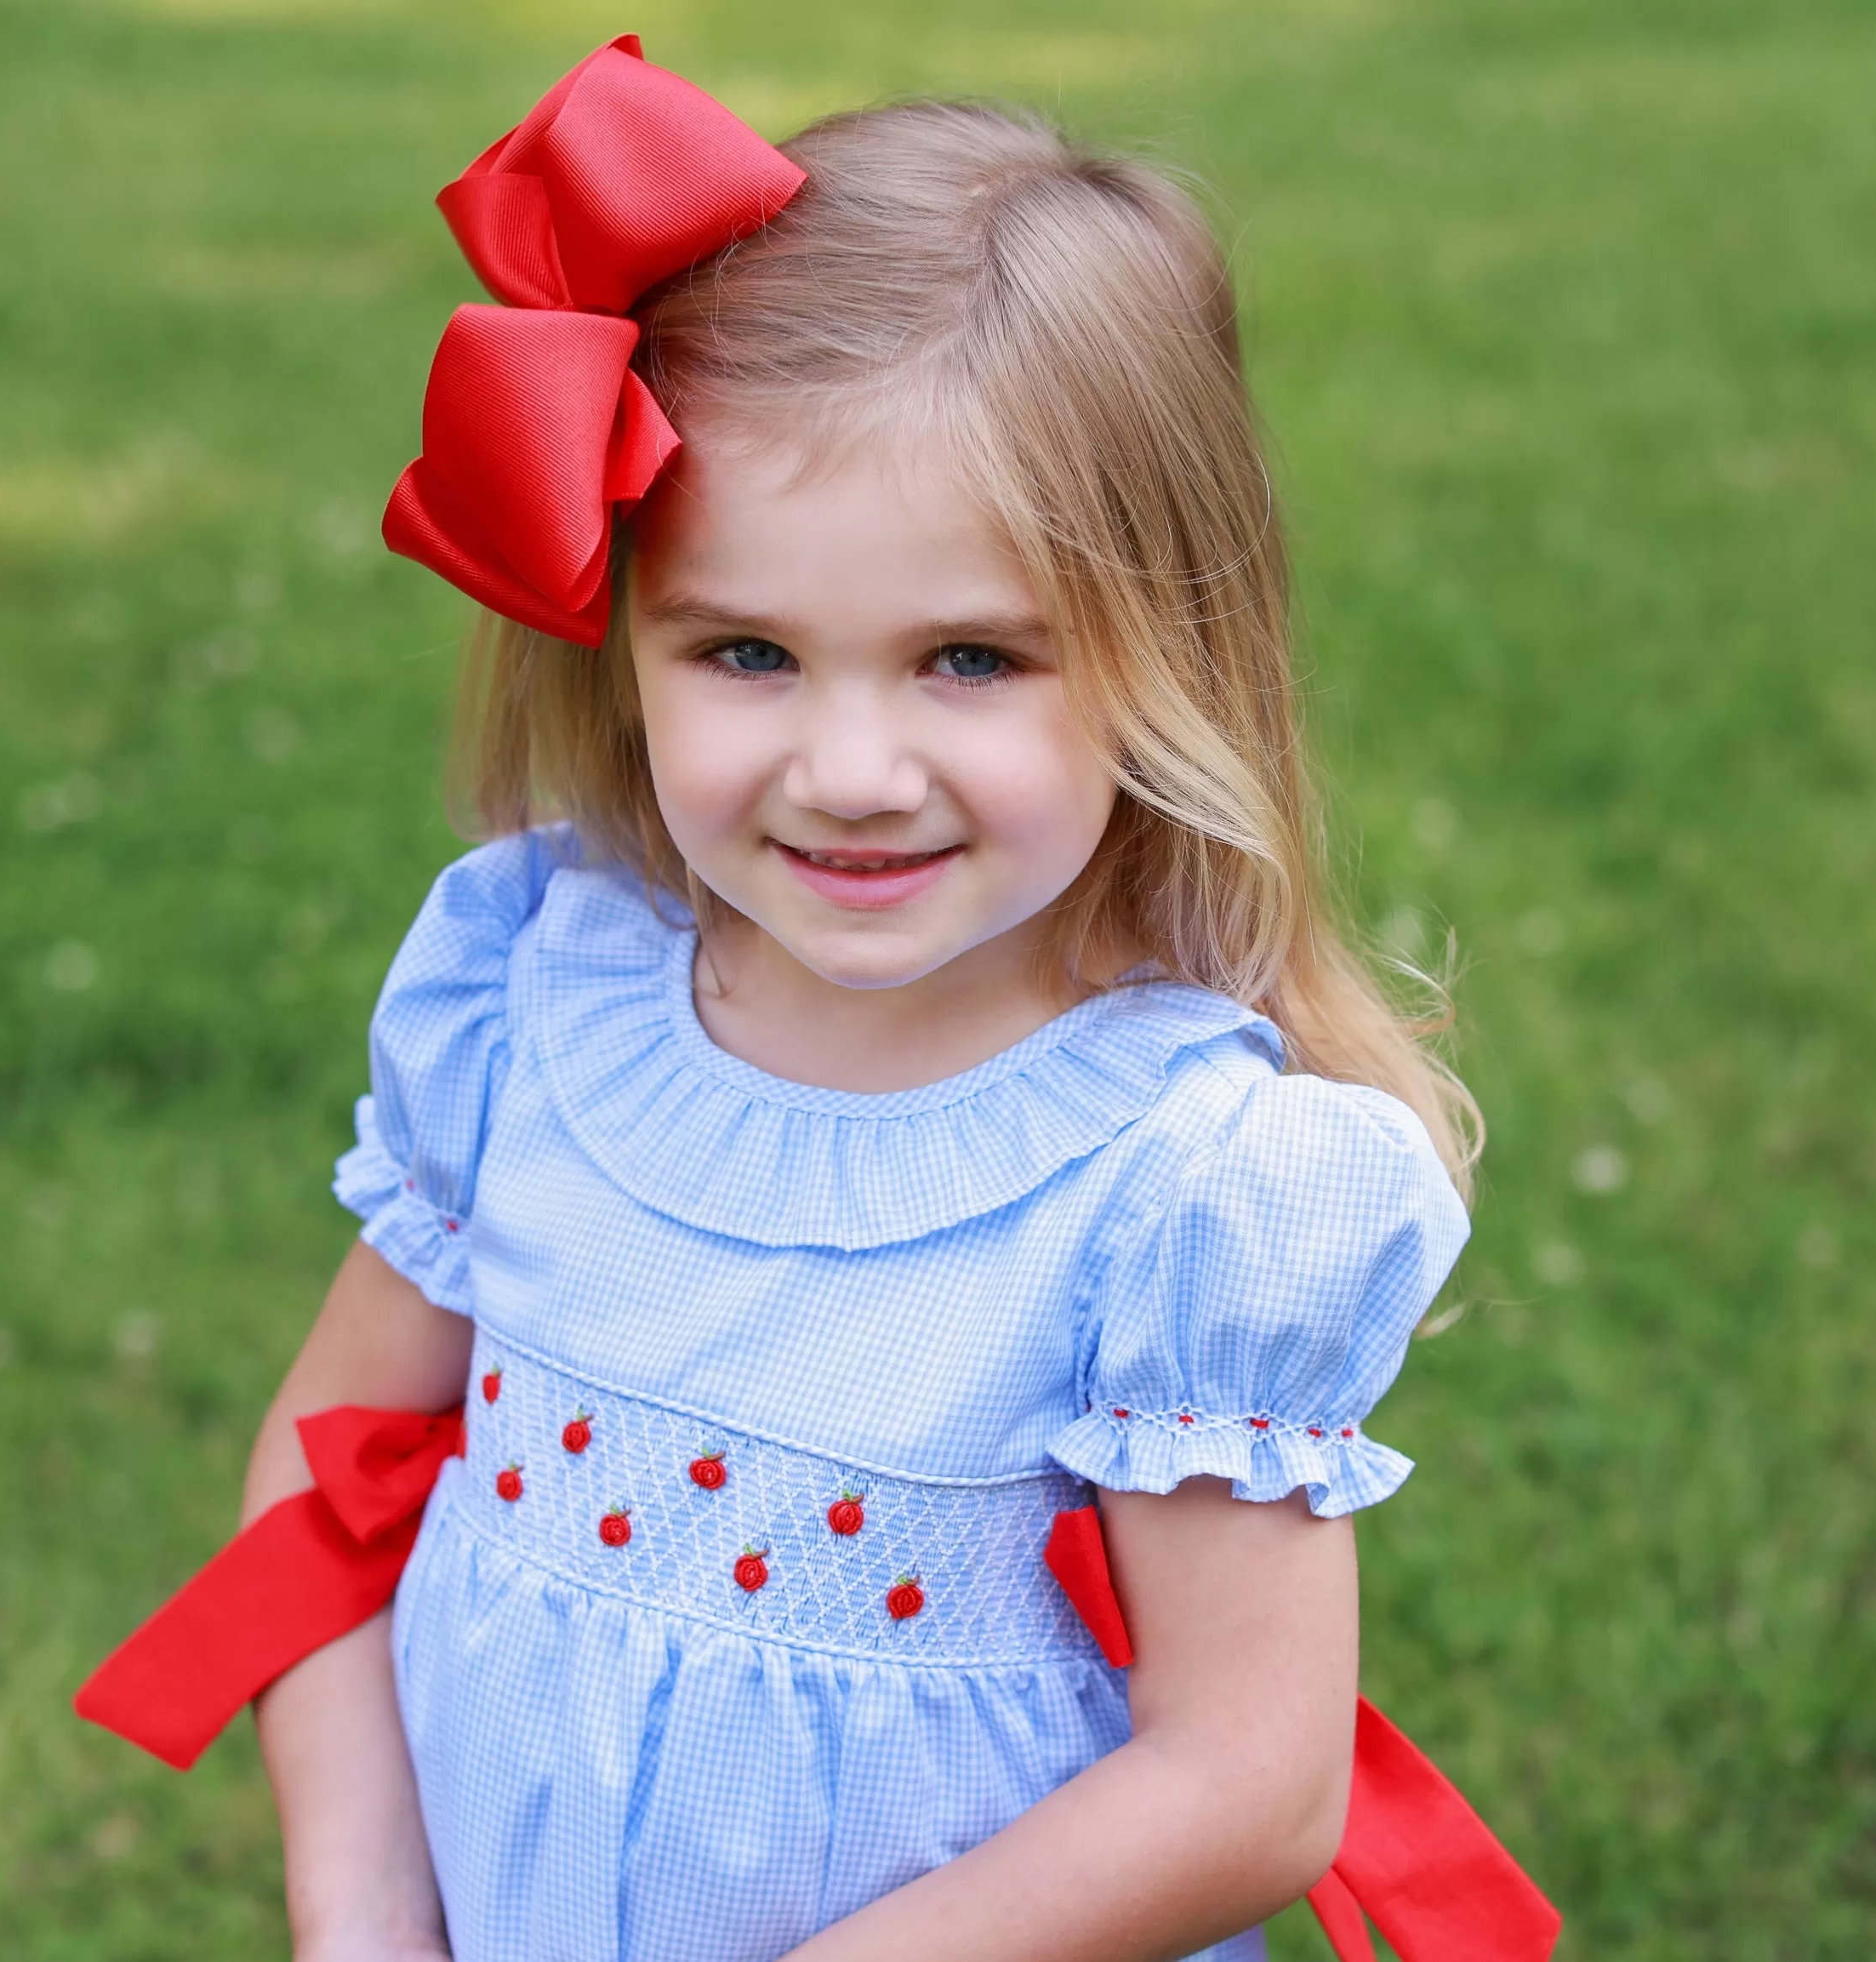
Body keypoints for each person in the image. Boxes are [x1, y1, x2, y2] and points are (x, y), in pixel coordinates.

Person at [235, 37, 1484, 1962]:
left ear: (1168, 653)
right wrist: (366, 1913)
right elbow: (331, 1471)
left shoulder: (1188, 1186)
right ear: (622, 632)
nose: (850, 766)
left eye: (967, 658)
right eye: (746, 647)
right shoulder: (533, 1010)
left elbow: (1248, 1783)